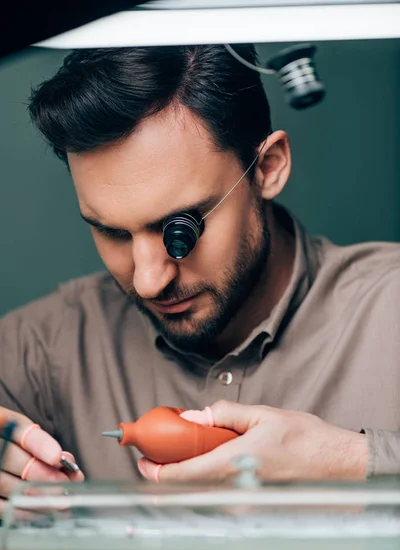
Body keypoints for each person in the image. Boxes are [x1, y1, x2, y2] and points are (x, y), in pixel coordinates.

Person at [0, 45, 399, 504]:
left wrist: (347, 459)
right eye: (112, 232)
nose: (149, 281)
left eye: (179, 229)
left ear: (267, 168)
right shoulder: (42, 351)